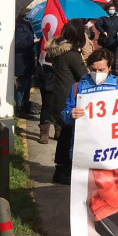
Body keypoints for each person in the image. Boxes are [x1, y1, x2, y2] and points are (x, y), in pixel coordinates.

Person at [60, 48, 118, 184]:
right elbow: (64, 115)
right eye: (93, 70)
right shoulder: (77, 87)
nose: (97, 73)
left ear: (109, 68)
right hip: (85, 149)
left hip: (112, 148)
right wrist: (71, 114)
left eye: (101, 70)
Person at [45, 20, 89, 183]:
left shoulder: (58, 51)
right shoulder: (71, 54)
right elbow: (83, 76)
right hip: (70, 98)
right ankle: (64, 170)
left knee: (65, 134)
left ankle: (62, 168)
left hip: (59, 95)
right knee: (68, 135)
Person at [14, 10, 38, 122]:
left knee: (27, 85)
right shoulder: (19, 26)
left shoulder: (26, 24)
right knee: (22, 85)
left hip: (27, 59)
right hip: (21, 60)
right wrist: (33, 41)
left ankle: (25, 106)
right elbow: (18, 44)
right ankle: (20, 108)